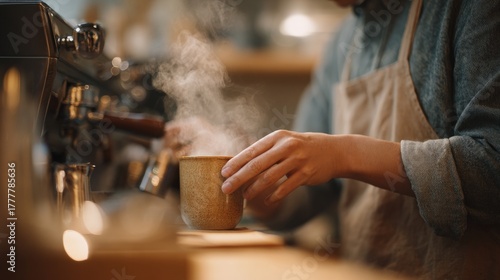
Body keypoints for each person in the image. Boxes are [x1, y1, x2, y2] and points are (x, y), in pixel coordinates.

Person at [166, 0, 500, 278]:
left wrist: (345, 154)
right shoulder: (342, 45)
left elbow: (491, 168)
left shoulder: (471, 10)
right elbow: (301, 200)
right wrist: (247, 177)